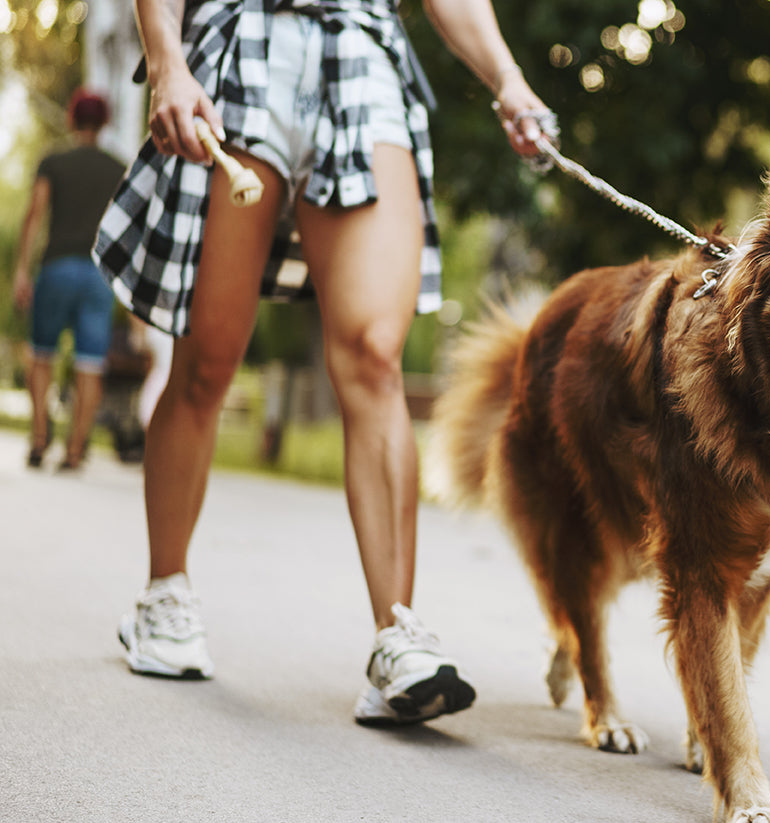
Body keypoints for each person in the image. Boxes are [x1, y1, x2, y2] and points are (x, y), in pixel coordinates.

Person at [95, 0, 552, 725]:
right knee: (209, 358)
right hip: (243, 43)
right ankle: (164, 592)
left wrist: (507, 79)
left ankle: (396, 633)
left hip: (361, 54)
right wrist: (167, 64)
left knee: (376, 355)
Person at [14, 90, 126, 470]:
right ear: (105, 123)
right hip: (99, 275)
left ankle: (40, 437)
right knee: (90, 364)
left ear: (70, 119)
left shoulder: (54, 163)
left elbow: (35, 214)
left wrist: (21, 271)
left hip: (57, 267)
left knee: (41, 353)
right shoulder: (118, 169)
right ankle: (76, 449)